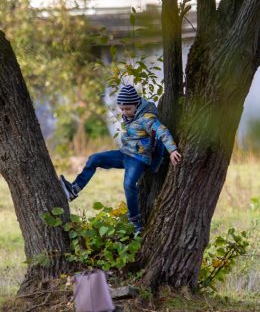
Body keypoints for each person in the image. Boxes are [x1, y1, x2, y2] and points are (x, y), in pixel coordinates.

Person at [59, 84, 182, 233]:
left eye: (127, 109)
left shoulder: (146, 118)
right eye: (122, 109)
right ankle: (74, 189)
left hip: (138, 158)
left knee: (129, 184)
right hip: (125, 154)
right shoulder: (131, 115)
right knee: (94, 159)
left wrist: (172, 150)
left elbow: (162, 131)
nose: (124, 112)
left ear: (136, 104)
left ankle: (136, 224)